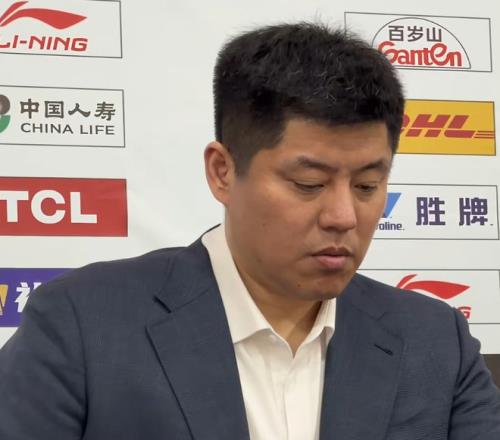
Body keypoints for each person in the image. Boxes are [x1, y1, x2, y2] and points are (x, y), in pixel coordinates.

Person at [1, 22, 499, 440]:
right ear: (222, 171)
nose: (344, 216)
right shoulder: (82, 323)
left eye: (368, 185)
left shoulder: (435, 341)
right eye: (309, 184)